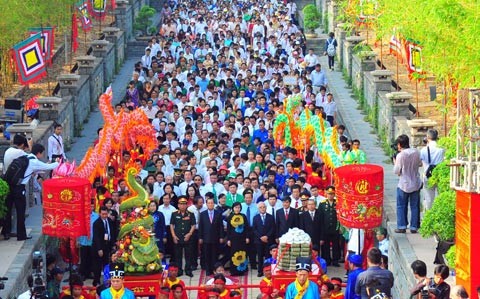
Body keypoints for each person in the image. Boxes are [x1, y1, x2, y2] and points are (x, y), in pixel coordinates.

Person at [10, 143, 59, 241]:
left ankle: (11, 232)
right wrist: (58, 162)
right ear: (39, 153)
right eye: (42, 154)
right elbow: (47, 167)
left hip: (14, 186)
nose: (42, 156)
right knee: (21, 213)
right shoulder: (33, 162)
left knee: (14, 211)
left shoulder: (26, 157)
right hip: (20, 189)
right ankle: (21, 235)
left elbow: (35, 170)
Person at [1, 134, 31, 240]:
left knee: (7, 210)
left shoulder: (8, 151)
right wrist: (30, 145)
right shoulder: (20, 153)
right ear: (22, 144)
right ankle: (21, 235)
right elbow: (30, 158)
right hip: (17, 185)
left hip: (7, 183)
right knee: (20, 211)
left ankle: (6, 232)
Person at [393, 134, 422, 234]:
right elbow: (420, 164)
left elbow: (397, 171)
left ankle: (402, 226)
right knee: (415, 206)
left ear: (400, 145)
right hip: (415, 182)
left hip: (403, 183)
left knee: (401, 205)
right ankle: (414, 226)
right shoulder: (416, 152)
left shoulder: (400, 155)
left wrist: (394, 162)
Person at [198, 198, 225, 276]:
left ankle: (214, 269)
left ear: (214, 204)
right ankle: (208, 270)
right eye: (209, 203)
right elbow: (201, 227)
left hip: (215, 238)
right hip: (206, 238)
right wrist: (200, 237)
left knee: (214, 255)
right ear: (206, 204)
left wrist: (221, 237)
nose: (210, 204)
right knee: (206, 255)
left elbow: (221, 226)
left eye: (212, 203)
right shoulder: (203, 214)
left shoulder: (218, 213)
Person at [170, 196, 196, 277]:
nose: (182, 206)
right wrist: (173, 236)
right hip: (177, 237)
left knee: (189, 255)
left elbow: (193, 225)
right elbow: (171, 225)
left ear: (186, 205)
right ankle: (179, 271)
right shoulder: (174, 214)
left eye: (184, 204)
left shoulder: (190, 214)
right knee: (178, 255)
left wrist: (189, 234)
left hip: (188, 237)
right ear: (178, 205)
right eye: (181, 204)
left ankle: (188, 270)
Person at [419, 129, 445, 210]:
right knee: (441, 196)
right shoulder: (442, 149)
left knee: (429, 199)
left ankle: (429, 215)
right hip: (439, 174)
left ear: (427, 137)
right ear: (437, 137)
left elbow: (420, 163)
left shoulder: (424, 150)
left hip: (428, 175)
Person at [92, 206, 116, 286]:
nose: (104, 216)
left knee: (106, 264)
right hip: (99, 247)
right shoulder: (96, 223)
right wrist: (99, 249)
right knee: (97, 265)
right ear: (99, 214)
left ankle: (107, 281)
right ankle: (96, 281)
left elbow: (111, 232)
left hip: (107, 245)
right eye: (103, 214)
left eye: (106, 214)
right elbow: (96, 237)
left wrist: (113, 244)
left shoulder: (109, 220)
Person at [226, 201, 250, 276]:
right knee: (234, 254)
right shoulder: (230, 217)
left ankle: (242, 270)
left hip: (242, 239)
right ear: (233, 208)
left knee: (242, 253)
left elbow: (247, 228)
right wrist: (228, 239)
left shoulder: (243, 216)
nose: (237, 209)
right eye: (236, 207)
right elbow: (228, 229)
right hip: (233, 239)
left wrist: (247, 237)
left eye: (239, 207)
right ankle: (233, 271)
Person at [252, 201, 275, 277]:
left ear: (266, 208)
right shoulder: (255, 218)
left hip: (268, 240)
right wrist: (261, 237)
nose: (262, 208)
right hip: (259, 240)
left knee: (268, 256)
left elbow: (272, 228)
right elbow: (254, 229)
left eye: (264, 207)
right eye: (260, 207)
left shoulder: (270, 217)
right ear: (258, 209)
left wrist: (267, 236)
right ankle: (260, 271)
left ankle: (268, 271)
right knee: (260, 256)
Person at [319, 186, 340, 266]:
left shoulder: (337, 203)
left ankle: (335, 260)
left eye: (332, 194)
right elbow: (320, 217)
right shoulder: (322, 204)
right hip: (325, 228)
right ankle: (327, 260)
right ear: (326, 194)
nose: (330, 196)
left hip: (335, 228)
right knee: (325, 246)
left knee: (336, 245)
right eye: (329, 194)